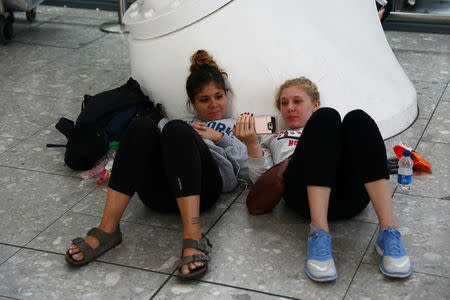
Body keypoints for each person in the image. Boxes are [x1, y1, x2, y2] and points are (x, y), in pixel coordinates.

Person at [65, 50, 249, 279]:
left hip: (203, 191)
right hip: (159, 194)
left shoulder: (236, 126)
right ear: (193, 103)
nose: (213, 105)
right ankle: (108, 228)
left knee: (177, 130)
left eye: (218, 96)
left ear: (226, 95)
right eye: (204, 99)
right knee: (144, 126)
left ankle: (193, 235)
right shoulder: (183, 122)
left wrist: (220, 138)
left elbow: (243, 173)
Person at [233, 77, 412, 282]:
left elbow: (368, 158)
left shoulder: (335, 129)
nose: (289, 108)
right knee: (326, 118)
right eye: (284, 103)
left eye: (297, 101)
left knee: (357, 118)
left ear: (314, 104)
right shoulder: (273, 136)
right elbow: (262, 181)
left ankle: (388, 232)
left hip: (349, 198)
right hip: (303, 198)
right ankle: (318, 233)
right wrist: (251, 144)